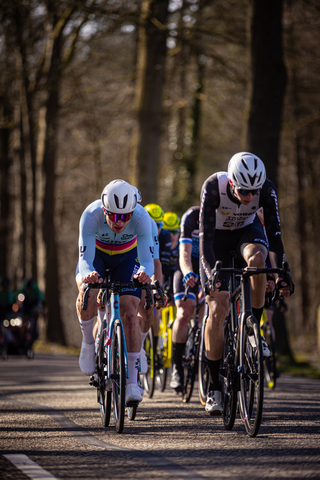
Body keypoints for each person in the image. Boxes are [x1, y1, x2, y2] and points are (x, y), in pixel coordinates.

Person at [199, 152, 292, 415]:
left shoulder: (267, 189)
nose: (250, 197)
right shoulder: (213, 187)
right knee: (217, 309)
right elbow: (204, 241)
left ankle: (254, 329)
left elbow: (274, 235)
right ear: (231, 182)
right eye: (243, 190)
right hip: (216, 240)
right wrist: (212, 274)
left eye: (254, 191)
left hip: (246, 234)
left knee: (258, 261)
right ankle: (215, 386)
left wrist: (280, 273)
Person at [76, 179, 154, 405]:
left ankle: (131, 382)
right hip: (97, 258)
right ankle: (88, 344)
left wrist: (145, 275)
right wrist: (89, 275)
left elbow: (147, 260)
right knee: (87, 293)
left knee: (130, 314)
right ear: (104, 210)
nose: (120, 222)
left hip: (125, 259)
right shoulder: (90, 216)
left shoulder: (141, 217)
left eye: (126, 216)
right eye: (114, 216)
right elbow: (84, 261)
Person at [169, 206, 202, 392]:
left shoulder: (225, 217)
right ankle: (177, 367)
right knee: (184, 312)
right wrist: (188, 273)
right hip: (187, 265)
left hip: (209, 266)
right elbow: (184, 253)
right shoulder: (191, 217)